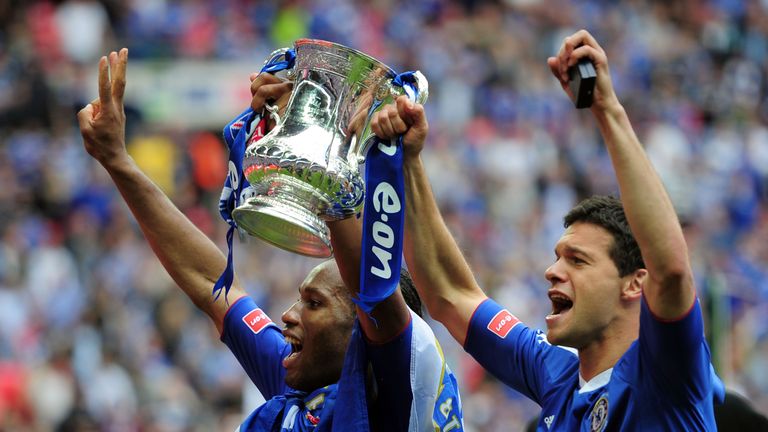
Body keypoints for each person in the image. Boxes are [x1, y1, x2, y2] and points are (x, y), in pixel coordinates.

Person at [77, 49, 463, 431]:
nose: (288, 315)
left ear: (363, 333)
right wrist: (117, 161)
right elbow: (214, 285)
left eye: (313, 303)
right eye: (302, 299)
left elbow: (374, 292)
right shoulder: (303, 390)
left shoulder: (401, 392)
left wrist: (321, 146)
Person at [370, 29, 724, 430]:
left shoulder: (666, 372)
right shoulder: (556, 370)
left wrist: (606, 109)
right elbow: (451, 296)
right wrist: (410, 162)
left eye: (578, 260)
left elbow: (672, 268)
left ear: (634, 284)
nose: (552, 271)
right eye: (558, 256)